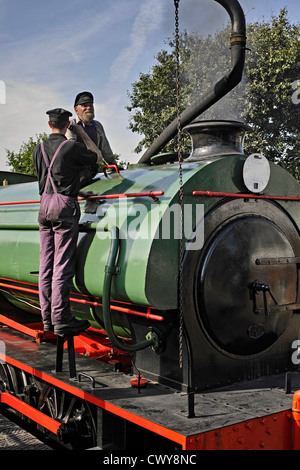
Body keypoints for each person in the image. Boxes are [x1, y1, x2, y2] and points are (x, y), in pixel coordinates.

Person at [33, 108, 101, 336]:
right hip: (64, 206)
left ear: (49, 123)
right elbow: (96, 157)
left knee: (46, 265)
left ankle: (47, 319)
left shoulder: (38, 149)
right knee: (61, 265)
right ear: (66, 124)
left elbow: (45, 180)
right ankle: (61, 317)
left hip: (43, 206)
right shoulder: (71, 146)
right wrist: (79, 132)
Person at [66, 91, 117, 186]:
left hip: (91, 171)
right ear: (76, 110)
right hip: (76, 172)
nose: (88, 108)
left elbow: (105, 150)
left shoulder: (98, 126)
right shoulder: (71, 126)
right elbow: (71, 150)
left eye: (90, 105)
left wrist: (114, 166)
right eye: (84, 105)